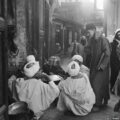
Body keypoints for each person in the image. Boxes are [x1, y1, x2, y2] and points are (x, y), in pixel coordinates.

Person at [10, 55, 60, 119]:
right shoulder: (40, 84)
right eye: (39, 70)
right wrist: (47, 77)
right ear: (37, 72)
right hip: (37, 114)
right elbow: (56, 91)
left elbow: (11, 82)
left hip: (23, 113)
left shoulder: (18, 82)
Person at [86, 23, 110, 111]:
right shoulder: (91, 40)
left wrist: (102, 66)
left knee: (97, 84)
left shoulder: (102, 39)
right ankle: (105, 99)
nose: (88, 34)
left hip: (101, 66)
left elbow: (107, 53)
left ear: (93, 30)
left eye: (89, 32)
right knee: (96, 83)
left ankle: (97, 104)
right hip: (94, 65)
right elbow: (87, 49)